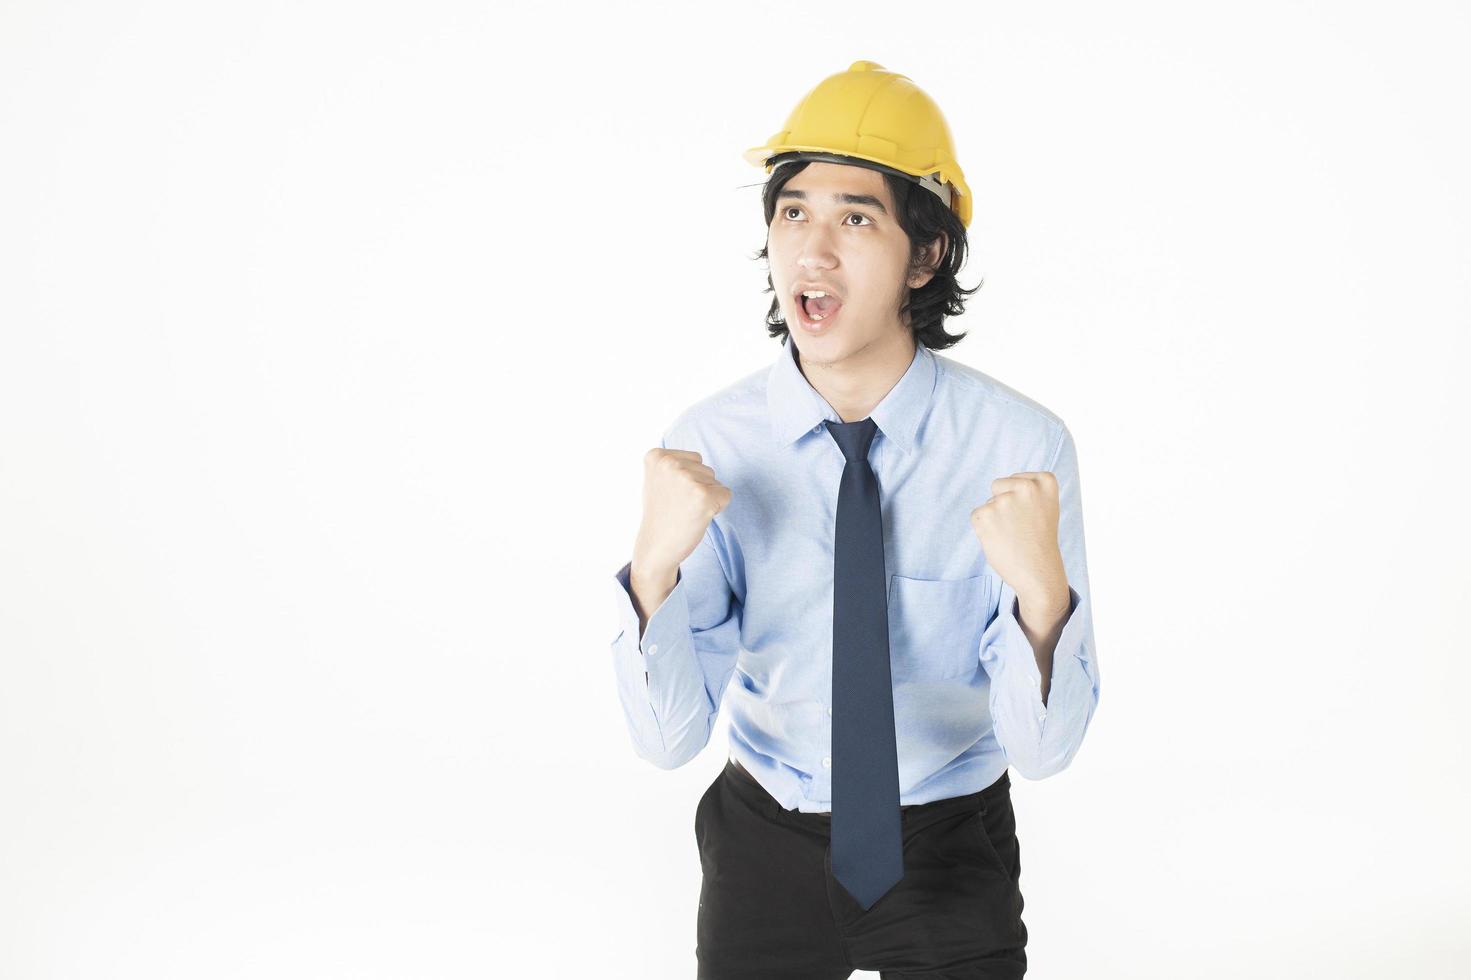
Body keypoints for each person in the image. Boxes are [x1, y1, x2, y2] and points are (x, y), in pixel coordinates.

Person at [607, 60, 1101, 980]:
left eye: (855, 217)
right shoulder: (709, 446)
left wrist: (1041, 596)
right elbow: (669, 741)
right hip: (763, 839)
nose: (812, 250)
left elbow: (1044, 753)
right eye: (792, 211)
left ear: (926, 255)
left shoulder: (1019, 449)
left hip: (948, 838)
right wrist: (651, 573)